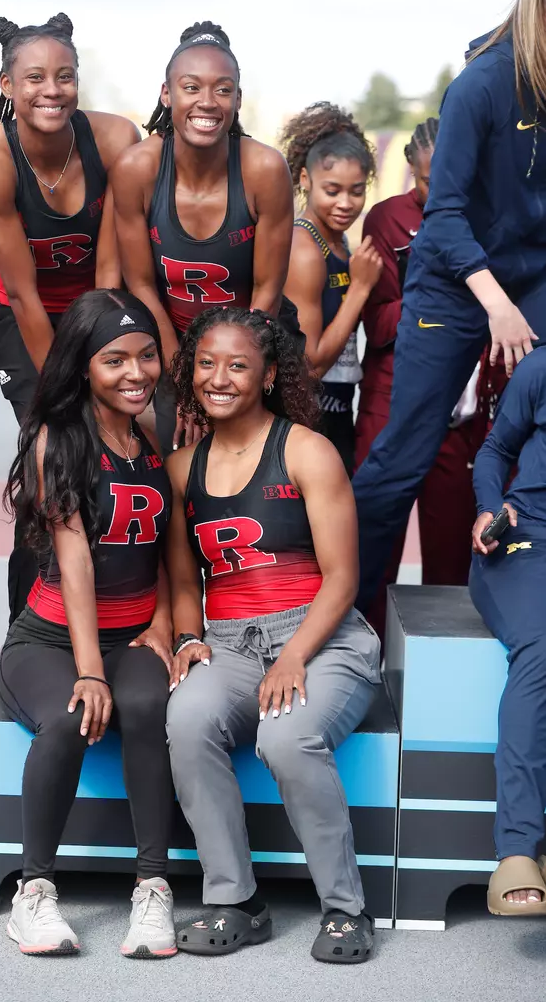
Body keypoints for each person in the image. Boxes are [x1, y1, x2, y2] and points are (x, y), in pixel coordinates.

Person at [164, 306, 381, 963]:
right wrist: (187, 637)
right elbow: (183, 582)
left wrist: (293, 657)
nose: (218, 378)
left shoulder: (306, 451)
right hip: (230, 641)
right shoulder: (181, 468)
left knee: (286, 737)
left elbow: (342, 578)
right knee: (187, 718)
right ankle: (236, 901)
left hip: (320, 637)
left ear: (266, 376)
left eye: (237, 366)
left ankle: (346, 909)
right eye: (206, 364)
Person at [353, 0, 546, 612]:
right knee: (403, 457)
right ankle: (345, 613)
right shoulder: (482, 85)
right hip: (455, 279)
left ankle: (526, 590)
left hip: (530, 272)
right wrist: (495, 304)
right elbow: (444, 214)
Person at [0, 289, 176, 957]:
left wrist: (165, 624)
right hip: (50, 639)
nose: (136, 372)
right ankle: (34, 892)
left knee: (149, 704)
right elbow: (73, 561)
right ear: (83, 366)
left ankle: (152, 889)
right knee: (73, 714)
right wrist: (90, 672)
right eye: (115, 360)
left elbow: (169, 547)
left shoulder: (150, 428)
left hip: (133, 635)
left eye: (147, 356)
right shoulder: (59, 438)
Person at [0, 13, 139, 624]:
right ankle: (27, 625)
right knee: (53, 452)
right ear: (8, 85)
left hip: (98, 307)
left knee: (120, 448)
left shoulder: (115, 139)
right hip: (25, 315)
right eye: (35, 77)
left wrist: (107, 358)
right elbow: (24, 292)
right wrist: (66, 391)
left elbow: (111, 270)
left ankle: (123, 608)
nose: (52, 90)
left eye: (65, 76)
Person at [111, 21, 295, 454]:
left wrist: (226, 374)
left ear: (238, 99)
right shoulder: (137, 169)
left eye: (223, 90)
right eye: (191, 87)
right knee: (181, 468)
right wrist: (185, 378)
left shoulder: (265, 170)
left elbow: (267, 290)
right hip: (173, 344)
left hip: (254, 339)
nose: (207, 102)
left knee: (256, 467)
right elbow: (141, 284)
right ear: (167, 94)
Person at [356, 119, 482, 633]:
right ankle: (360, 651)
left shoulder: (484, 215)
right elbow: (378, 321)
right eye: (429, 180)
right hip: (391, 400)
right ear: (411, 170)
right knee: (373, 539)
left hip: (459, 409)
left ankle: (443, 660)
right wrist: (442, 303)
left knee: (452, 550)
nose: (440, 190)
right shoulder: (387, 218)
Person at [469, 346, 546, 915]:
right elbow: (495, 449)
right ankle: (518, 848)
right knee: (544, 644)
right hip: (528, 538)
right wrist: (489, 505)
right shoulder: (541, 367)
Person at [280, 103, 382, 475]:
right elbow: (312, 365)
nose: (345, 204)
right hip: (308, 416)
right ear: (305, 179)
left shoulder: (339, 244)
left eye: (356, 191)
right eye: (332, 190)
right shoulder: (305, 249)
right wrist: (360, 289)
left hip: (337, 406)